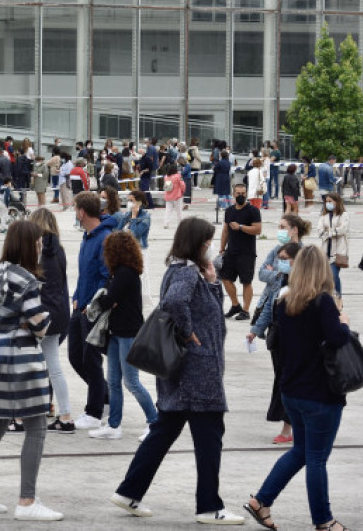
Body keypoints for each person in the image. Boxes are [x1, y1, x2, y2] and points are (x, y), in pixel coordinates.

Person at [110, 217, 245, 525]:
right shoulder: (186, 272)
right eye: (207, 240)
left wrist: (212, 283)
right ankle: (209, 507)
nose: (211, 245)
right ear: (197, 242)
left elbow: (206, 309)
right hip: (197, 371)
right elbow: (174, 303)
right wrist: (189, 334)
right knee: (210, 436)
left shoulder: (186, 270)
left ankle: (129, 491)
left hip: (183, 370)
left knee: (164, 430)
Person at [245, 246, 352, 531]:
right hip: (320, 392)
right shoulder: (322, 303)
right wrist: (344, 323)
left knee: (301, 452)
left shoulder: (284, 302)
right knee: (316, 458)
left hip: (291, 390)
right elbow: (336, 339)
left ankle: (262, 500)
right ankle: (323, 520)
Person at [0, 220, 61, 521]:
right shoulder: (26, 280)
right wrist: (44, 318)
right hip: (22, 363)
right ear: (29, 245)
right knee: (36, 427)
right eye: (39, 241)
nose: (41, 246)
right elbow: (39, 325)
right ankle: (27, 501)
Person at [90, 231, 158, 442]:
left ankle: (154, 422)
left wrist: (97, 304)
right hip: (116, 332)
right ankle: (113, 425)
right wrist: (109, 300)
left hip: (128, 333)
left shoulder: (125, 273)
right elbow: (111, 299)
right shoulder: (118, 273)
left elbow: (108, 300)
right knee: (113, 381)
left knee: (131, 381)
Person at [69, 192, 118, 430]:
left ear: (82, 212)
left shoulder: (104, 238)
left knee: (91, 360)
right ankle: (104, 395)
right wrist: (77, 297)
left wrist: (91, 303)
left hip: (92, 309)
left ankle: (94, 411)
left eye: (75, 208)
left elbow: (105, 276)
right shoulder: (87, 237)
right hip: (80, 305)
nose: (73, 212)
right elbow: (83, 274)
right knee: (74, 356)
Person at [247, 239, 304, 445]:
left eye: (284, 259)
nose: (280, 263)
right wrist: (255, 330)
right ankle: (292, 426)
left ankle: (290, 428)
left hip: (296, 342)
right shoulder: (280, 280)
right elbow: (270, 309)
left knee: (290, 383)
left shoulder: (303, 284)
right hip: (278, 339)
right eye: (279, 259)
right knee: (283, 382)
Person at [28, 208, 73, 433]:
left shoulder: (38, 252)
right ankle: (63, 414)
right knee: (53, 365)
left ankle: (53, 411)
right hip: (60, 311)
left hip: (43, 313)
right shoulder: (59, 250)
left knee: (34, 364)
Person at [220, 183, 263, 320]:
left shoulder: (253, 211)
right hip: (231, 251)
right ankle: (235, 305)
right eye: (238, 193)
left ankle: (245, 310)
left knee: (246, 282)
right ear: (233, 194)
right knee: (225, 279)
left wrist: (241, 227)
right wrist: (222, 248)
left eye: (243, 193)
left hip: (247, 252)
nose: (240, 196)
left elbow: (258, 230)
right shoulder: (229, 211)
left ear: (246, 194)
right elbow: (225, 230)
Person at [317, 192, 349, 300]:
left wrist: (330, 232)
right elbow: (320, 231)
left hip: (338, 252)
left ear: (337, 202)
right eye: (326, 202)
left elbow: (343, 229)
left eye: (330, 201)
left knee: (334, 275)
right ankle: (329, 298)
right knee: (324, 277)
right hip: (325, 251)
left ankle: (338, 298)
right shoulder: (323, 216)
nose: (328, 204)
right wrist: (332, 232)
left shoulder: (343, 215)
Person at [162, 163, 186, 229]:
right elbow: (182, 185)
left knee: (168, 210)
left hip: (168, 196)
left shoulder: (166, 177)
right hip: (177, 196)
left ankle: (166, 223)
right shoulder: (178, 176)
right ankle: (180, 224)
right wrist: (183, 191)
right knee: (179, 211)